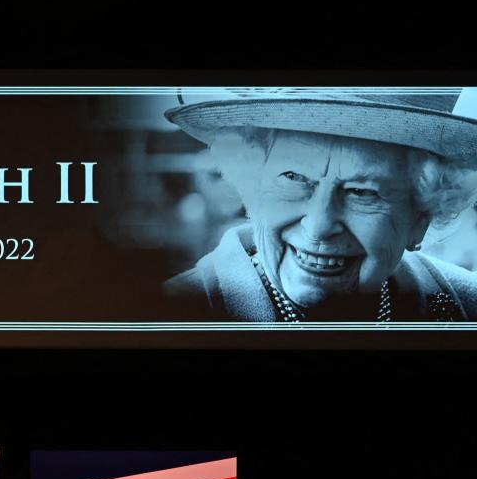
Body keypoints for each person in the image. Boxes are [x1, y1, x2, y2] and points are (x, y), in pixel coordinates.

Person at [163, 89, 477, 321]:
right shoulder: (173, 313)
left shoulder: (467, 308)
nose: (319, 226)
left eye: (362, 192)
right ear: (254, 190)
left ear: (420, 218)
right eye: (293, 177)